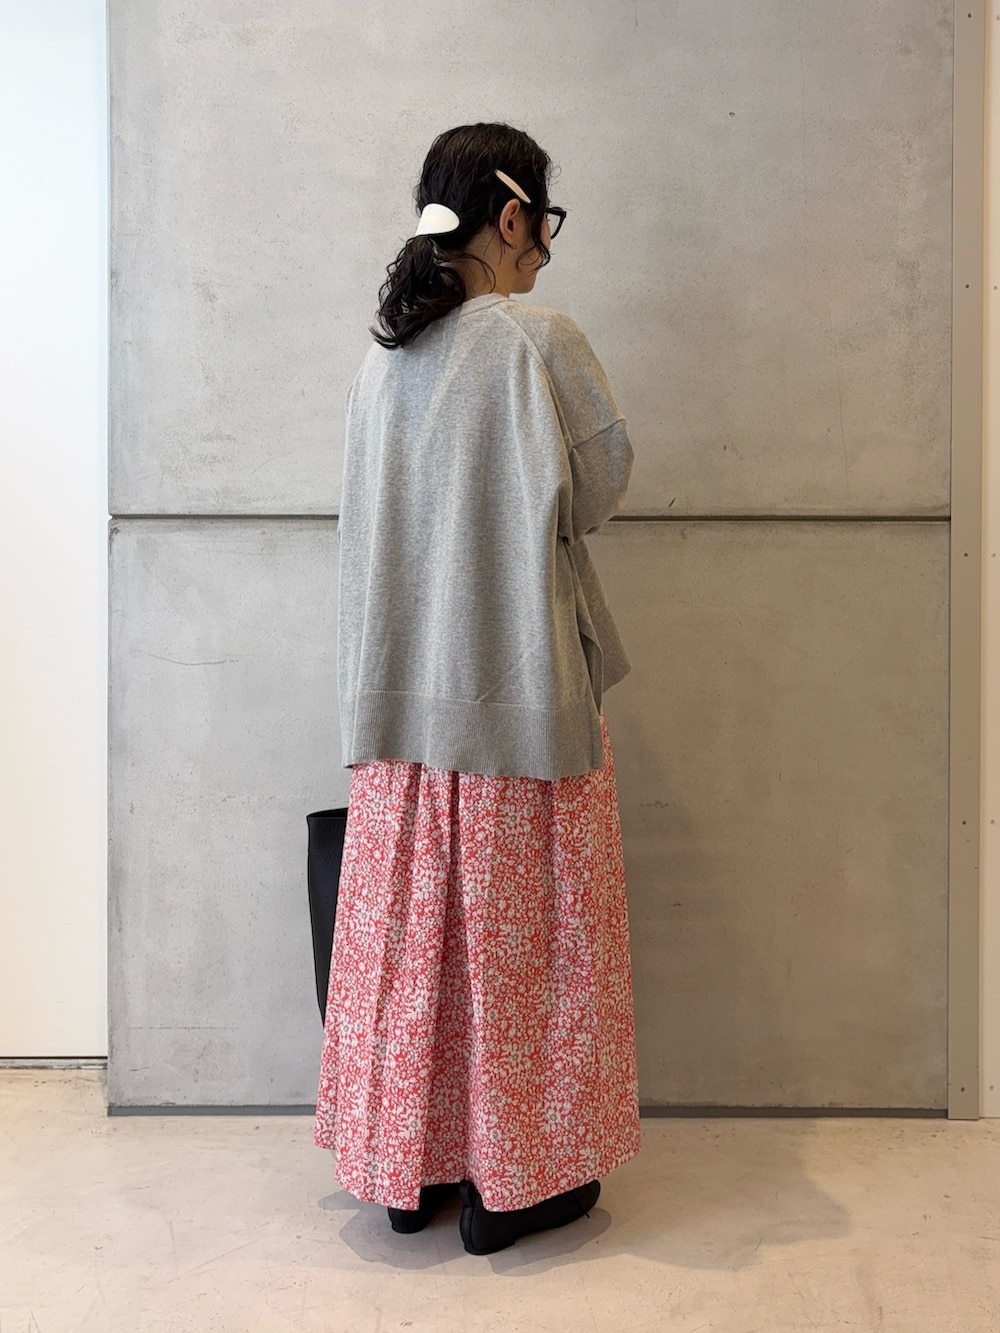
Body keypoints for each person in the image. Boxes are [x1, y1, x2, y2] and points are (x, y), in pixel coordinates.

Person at [313, 122, 641, 1257]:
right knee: (525, 957)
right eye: (543, 225)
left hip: (396, 718)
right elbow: (597, 489)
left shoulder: (380, 360)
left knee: (413, 955)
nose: (544, 249)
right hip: (518, 701)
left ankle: (410, 1171)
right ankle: (518, 1183)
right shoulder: (538, 340)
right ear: (511, 217)